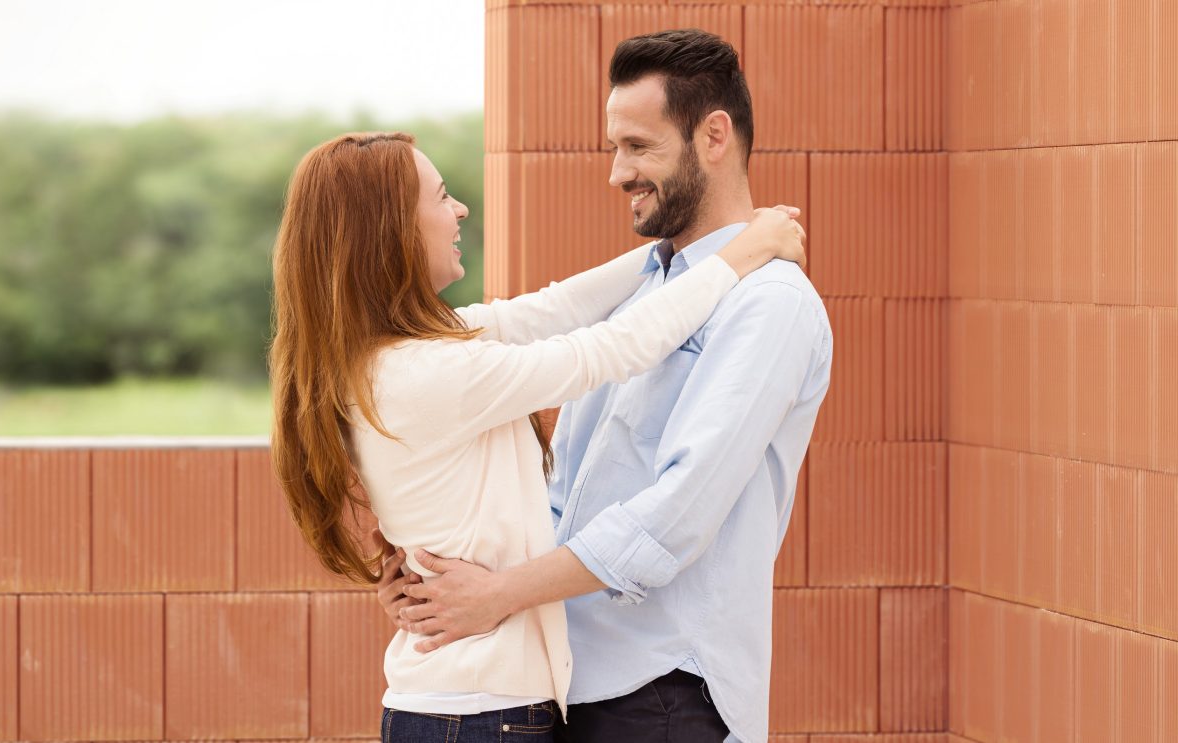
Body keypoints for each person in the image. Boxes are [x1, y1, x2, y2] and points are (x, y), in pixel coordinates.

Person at [269, 130, 806, 743]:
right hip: (480, 715)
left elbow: (552, 309)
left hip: (455, 706)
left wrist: (687, 249)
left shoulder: (399, 357)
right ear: (393, 232)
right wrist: (739, 255)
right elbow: (610, 348)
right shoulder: (427, 374)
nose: (460, 210)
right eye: (443, 198)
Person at [378, 30, 833, 743]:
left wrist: (496, 594)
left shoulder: (769, 303)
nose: (618, 173)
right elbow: (563, 488)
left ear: (714, 136)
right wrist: (434, 572)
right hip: (574, 679)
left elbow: (675, 514)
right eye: (613, 148)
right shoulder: (642, 292)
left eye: (639, 147)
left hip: (666, 693)